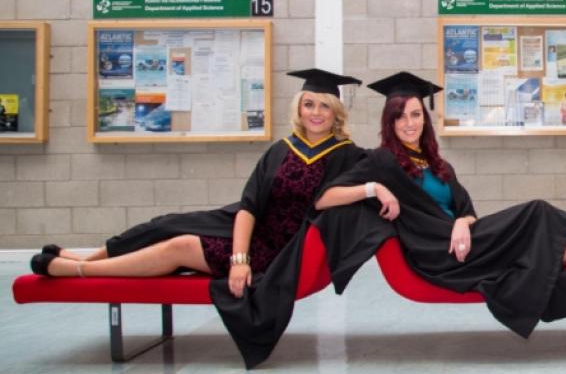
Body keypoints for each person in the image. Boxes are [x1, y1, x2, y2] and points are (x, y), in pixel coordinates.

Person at [315, 72, 566, 341]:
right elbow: (324, 198)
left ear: (424, 119)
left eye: (416, 115)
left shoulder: (438, 163)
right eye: (400, 116)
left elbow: (468, 210)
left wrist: (462, 223)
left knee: (561, 250)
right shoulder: (382, 161)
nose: (409, 123)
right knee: (538, 212)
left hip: (465, 240)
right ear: (389, 120)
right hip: (440, 256)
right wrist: (374, 188)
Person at [30, 68, 365, 304]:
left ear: (336, 113)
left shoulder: (346, 155)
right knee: (165, 224)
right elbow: (250, 204)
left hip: (279, 252)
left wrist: (244, 260)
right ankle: (87, 258)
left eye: (324, 106)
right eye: (309, 104)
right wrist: (238, 257)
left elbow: (377, 172)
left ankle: (79, 271)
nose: (316, 113)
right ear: (299, 109)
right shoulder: (281, 149)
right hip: (245, 229)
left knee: (181, 246)